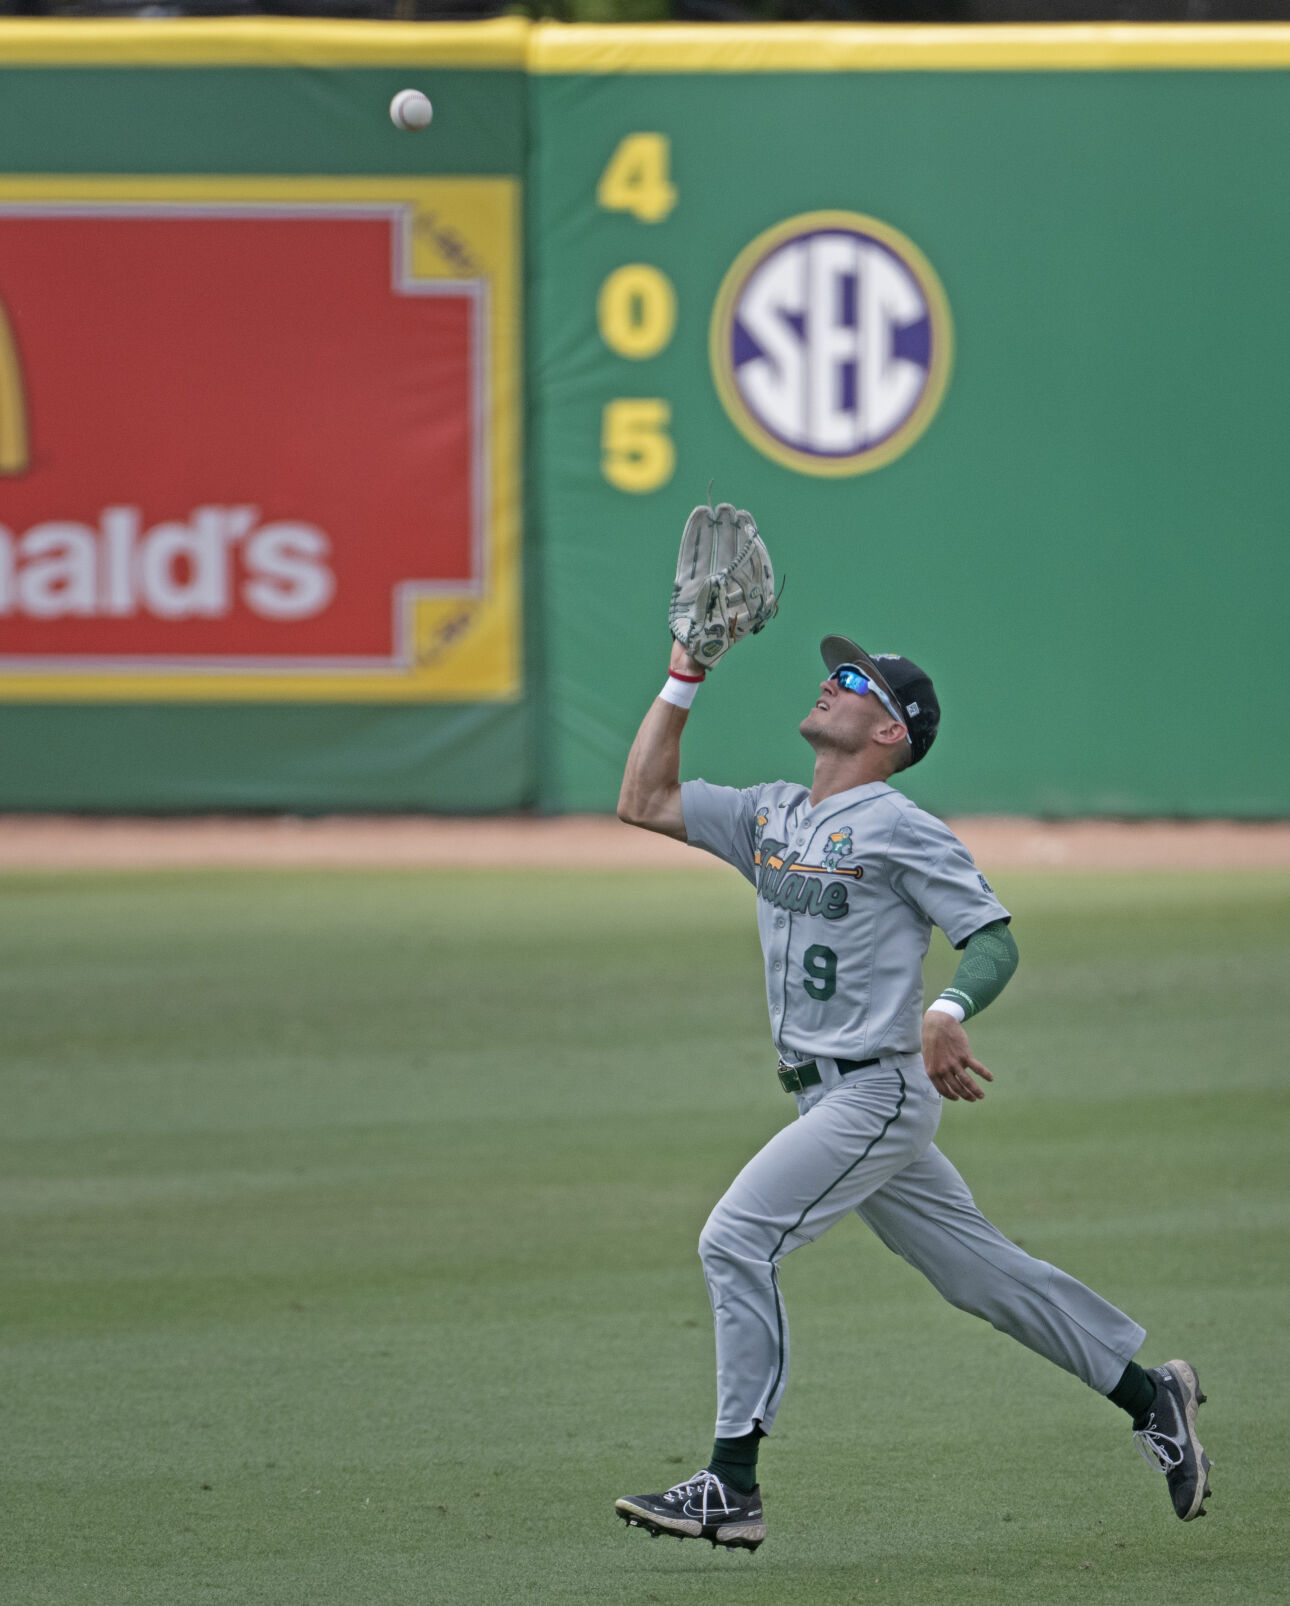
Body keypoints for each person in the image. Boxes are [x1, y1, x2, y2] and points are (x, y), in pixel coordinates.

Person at [612, 630, 1211, 1552]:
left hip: (876, 1094)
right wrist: (685, 673)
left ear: (892, 730)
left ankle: (732, 1483)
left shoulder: (900, 824)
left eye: (854, 680)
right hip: (823, 1098)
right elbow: (643, 800)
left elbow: (994, 938)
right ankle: (1149, 1396)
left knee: (736, 1237)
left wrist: (946, 1008)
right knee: (981, 1275)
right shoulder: (771, 814)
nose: (830, 681)